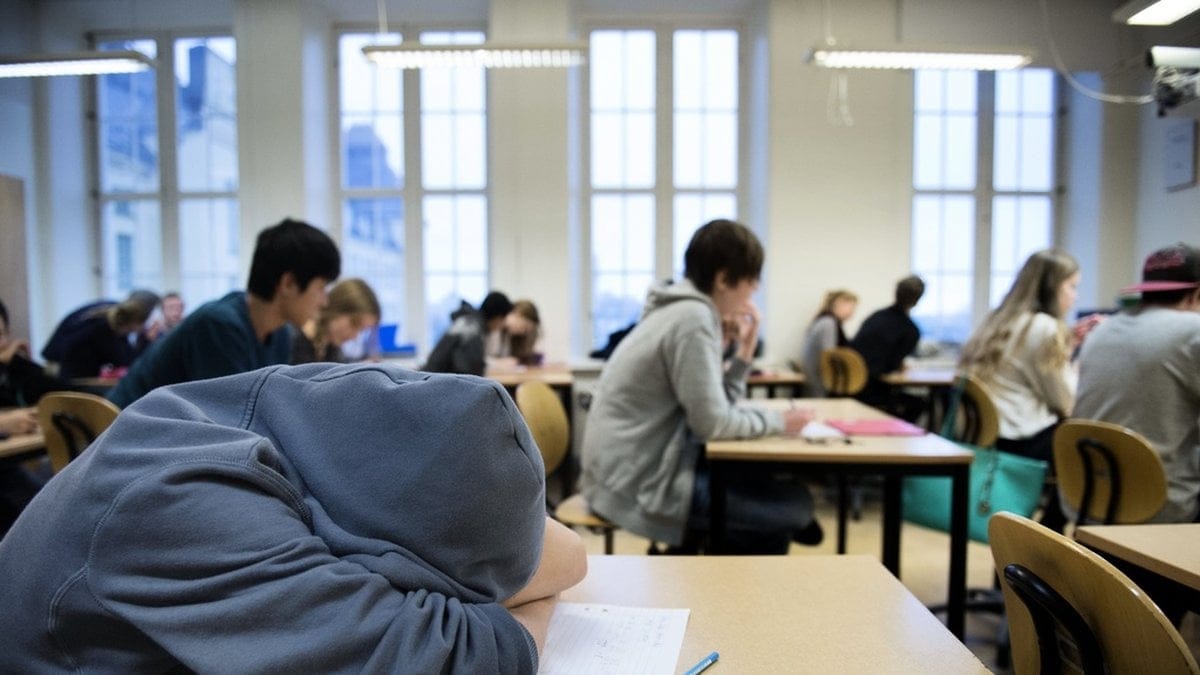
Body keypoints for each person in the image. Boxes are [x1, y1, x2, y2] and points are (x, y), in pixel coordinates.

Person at [0, 362, 587, 671]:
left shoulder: (321, 451)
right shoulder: (185, 501)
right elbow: (454, 663)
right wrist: (528, 614)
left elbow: (569, 554)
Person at [580, 219, 817, 555]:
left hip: (625, 475)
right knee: (795, 507)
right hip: (640, 486)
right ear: (723, 279)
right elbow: (713, 424)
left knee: (778, 497)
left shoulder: (679, 312)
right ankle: (698, 563)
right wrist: (781, 422)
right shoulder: (693, 319)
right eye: (751, 280)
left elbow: (717, 407)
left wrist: (744, 352)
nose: (754, 290)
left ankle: (694, 555)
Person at [108, 218, 340, 408]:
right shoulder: (219, 325)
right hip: (125, 433)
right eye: (321, 288)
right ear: (288, 283)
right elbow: (231, 422)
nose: (324, 301)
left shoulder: (280, 334)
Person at [1073, 243, 1200, 524]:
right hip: (1159, 502)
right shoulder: (1193, 331)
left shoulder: (1101, 330)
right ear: (1196, 294)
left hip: (1088, 494)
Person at [959, 249, 1082, 531]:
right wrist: (1074, 364)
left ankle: (1045, 531)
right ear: (1052, 287)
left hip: (988, 434)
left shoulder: (997, 320)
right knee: (1085, 450)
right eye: (1072, 286)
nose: (1075, 296)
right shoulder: (1046, 327)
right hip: (1023, 438)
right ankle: (1050, 534)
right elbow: (1066, 401)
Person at [40, 289, 160, 380]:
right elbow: (126, 362)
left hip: (65, 367)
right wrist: (147, 339)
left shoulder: (112, 314)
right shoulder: (104, 326)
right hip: (61, 368)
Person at [851, 275, 926, 419]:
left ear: (895, 292)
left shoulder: (875, 317)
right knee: (919, 403)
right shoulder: (910, 330)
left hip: (853, 385)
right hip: (873, 390)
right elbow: (891, 366)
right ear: (917, 301)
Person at [291, 278, 381, 364]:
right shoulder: (292, 340)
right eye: (354, 324)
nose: (354, 337)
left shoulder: (331, 350)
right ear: (337, 308)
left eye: (361, 330)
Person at [423, 291, 513, 376]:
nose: (503, 324)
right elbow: (470, 372)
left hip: (433, 377)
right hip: (438, 382)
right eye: (503, 319)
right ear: (498, 317)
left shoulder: (469, 321)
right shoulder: (472, 329)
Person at [800, 289, 858, 397]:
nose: (853, 312)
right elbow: (829, 355)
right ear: (840, 304)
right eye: (852, 307)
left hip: (817, 378)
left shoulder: (824, 320)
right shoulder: (829, 323)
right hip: (820, 381)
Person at [488, 299, 542, 367]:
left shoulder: (511, 336)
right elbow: (479, 359)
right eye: (525, 327)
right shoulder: (494, 327)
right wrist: (497, 362)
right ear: (517, 313)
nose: (523, 332)